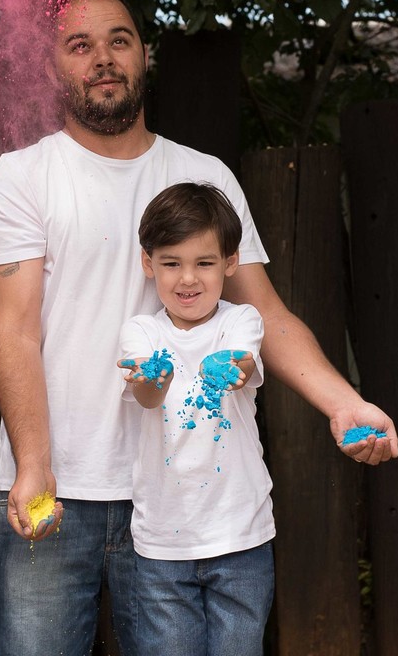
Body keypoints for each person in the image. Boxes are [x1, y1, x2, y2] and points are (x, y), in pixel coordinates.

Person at [0, 0, 398, 655]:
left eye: (119, 40)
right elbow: (14, 329)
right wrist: (33, 462)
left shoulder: (204, 176)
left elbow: (266, 313)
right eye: (80, 45)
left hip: (178, 499)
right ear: (55, 67)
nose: (103, 58)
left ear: (144, 55)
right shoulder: (21, 178)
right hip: (53, 485)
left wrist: (343, 403)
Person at [117, 181, 272, 655]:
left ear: (230, 261)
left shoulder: (240, 321)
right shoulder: (140, 332)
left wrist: (226, 367)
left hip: (241, 536)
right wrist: (152, 378)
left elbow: (241, 367)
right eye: (171, 264)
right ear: (149, 264)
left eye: (204, 263)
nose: (188, 279)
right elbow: (146, 397)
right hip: (163, 545)